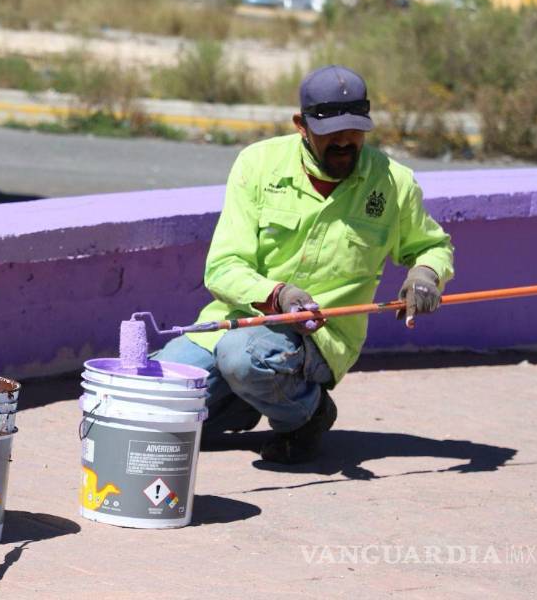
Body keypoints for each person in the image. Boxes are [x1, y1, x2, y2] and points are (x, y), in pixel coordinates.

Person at [154, 65, 454, 464]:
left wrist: (425, 275)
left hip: (321, 339)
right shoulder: (258, 165)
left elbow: (431, 246)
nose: (346, 142)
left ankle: (308, 416)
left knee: (244, 358)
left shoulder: (393, 182)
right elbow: (223, 266)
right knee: (153, 407)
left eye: (356, 130)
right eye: (333, 132)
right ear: (302, 124)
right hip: (238, 321)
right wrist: (278, 296)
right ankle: (248, 398)